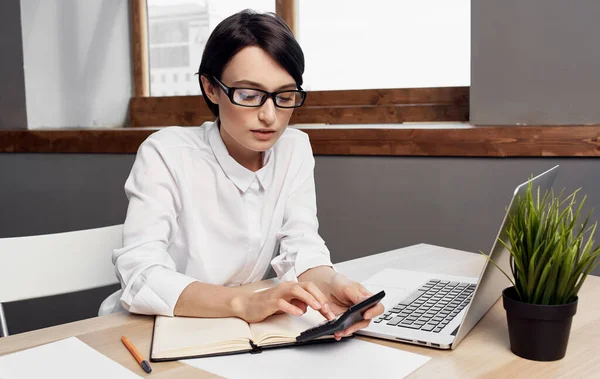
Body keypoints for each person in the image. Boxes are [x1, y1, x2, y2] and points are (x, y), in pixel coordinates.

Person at [100, 9, 383, 340]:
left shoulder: (294, 148)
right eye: (249, 95)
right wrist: (243, 302)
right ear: (211, 88)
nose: (269, 116)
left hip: (236, 332)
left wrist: (334, 285)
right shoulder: (166, 152)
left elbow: (301, 246)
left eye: (285, 96)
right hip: (150, 332)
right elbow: (141, 274)